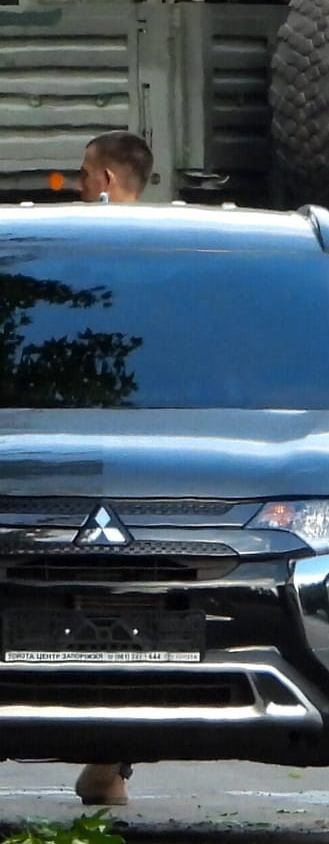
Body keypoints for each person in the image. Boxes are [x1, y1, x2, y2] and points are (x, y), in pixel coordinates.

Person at [70, 129, 152, 808]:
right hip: (145, 447)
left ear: (101, 177)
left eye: (81, 175)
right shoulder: (167, 245)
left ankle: (105, 764)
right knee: (124, 607)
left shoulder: (79, 245)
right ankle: (107, 766)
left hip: (74, 441)